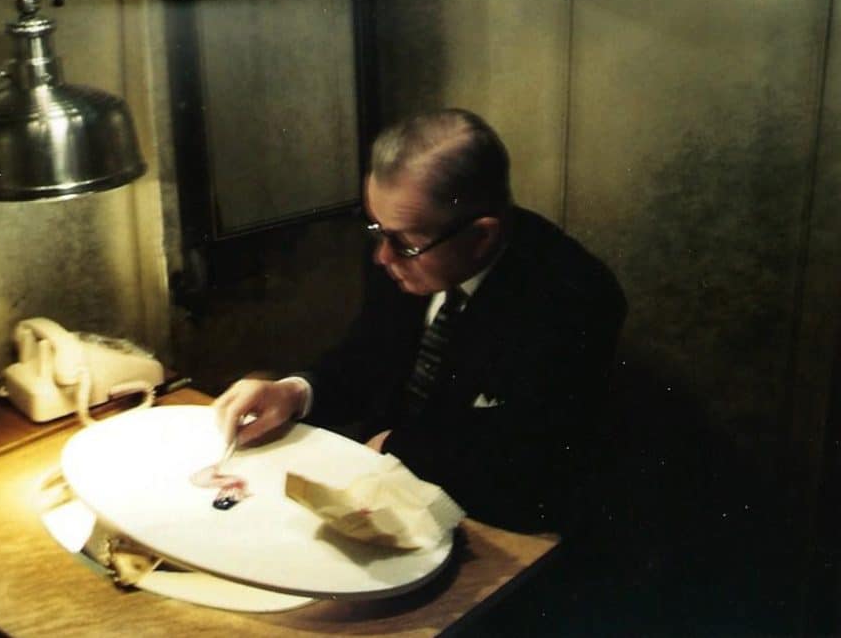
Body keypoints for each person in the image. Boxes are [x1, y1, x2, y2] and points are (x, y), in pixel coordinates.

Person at [213, 108, 627, 535]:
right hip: (386, 485)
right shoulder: (406, 246)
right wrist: (295, 391)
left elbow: (522, 459)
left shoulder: (574, 296)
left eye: (403, 242)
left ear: (482, 235)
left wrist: (397, 448)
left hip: (496, 523)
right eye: (377, 229)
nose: (382, 257)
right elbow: (367, 356)